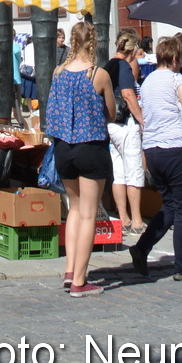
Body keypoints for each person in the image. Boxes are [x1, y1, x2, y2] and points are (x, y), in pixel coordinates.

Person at [43, 20, 116, 297]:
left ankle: (70, 270)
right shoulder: (98, 74)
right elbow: (110, 112)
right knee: (88, 214)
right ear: (93, 42)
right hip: (90, 147)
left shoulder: (58, 72)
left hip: (63, 148)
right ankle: (80, 282)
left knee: (73, 209)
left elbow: (52, 112)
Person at [128, 35, 182, 281]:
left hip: (152, 150)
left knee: (170, 207)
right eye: (181, 59)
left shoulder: (148, 80)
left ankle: (141, 248)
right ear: (174, 58)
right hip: (175, 148)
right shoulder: (176, 79)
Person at [105, 30, 145, 235]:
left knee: (118, 173)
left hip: (111, 123)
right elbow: (128, 94)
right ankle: (137, 220)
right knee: (134, 172)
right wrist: (141, 119)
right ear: (133, 50)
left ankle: (124, 218)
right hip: (125, 123)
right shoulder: (123, 66)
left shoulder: (108, 64)